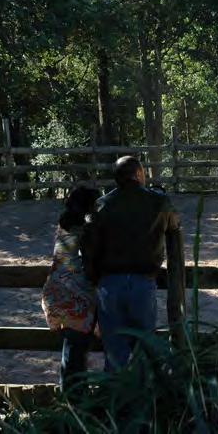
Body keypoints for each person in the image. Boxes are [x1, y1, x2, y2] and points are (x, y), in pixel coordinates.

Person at [84, 156, 185, 371]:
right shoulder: (159, 202)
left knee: (114, 351)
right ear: (139, 174)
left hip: (109, 285)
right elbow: (175, 226)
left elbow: (89, 248)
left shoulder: (102, 205)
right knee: (145, 347)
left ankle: (116, 399)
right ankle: (143, 398)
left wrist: (93, 281)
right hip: (143, 283)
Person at [41, 185, 101, 392]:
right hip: (76, 295)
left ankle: (69, 401)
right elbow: (91, 266)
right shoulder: (87, 230)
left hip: (55, 291)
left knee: (72, 350)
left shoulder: (63, 226)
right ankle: (75, 403)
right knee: (76, 352)